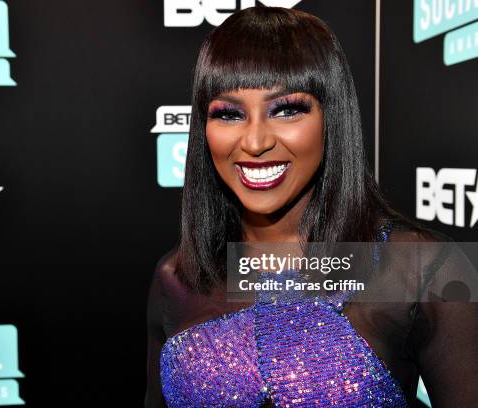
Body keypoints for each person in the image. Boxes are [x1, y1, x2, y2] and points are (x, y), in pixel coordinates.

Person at [145, 6, 478, 407]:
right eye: (229, 114)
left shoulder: (424, 269)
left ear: (330, 117)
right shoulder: (176, 278)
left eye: (287, 109)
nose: (254, 142)